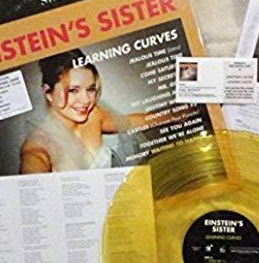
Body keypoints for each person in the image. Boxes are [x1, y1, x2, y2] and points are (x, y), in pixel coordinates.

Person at [20, 49, 169, 173]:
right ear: (48, 93)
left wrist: (172, 115)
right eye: (73, 90)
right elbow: (33, 169)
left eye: (90, 89)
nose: (86, 100)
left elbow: (129, 122)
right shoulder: (38, 145)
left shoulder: (93, 115)